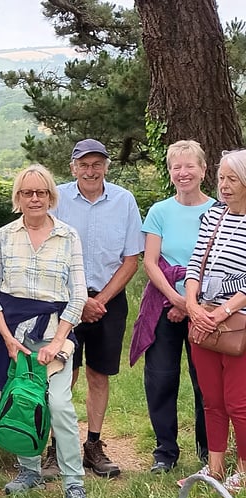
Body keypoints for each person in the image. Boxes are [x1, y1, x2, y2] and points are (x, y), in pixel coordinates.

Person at [0, 164, 88, 498]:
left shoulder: (68, 236)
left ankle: (73, 480)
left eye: (41, 192)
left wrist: (57, 342)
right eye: (27, 193)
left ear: (51, 196)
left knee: (58, 404)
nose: (35, 198)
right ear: (18, 198)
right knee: (22, 401)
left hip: (54, 332)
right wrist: (7, 338)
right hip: (14, 335)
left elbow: (79, 294)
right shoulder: (4, 235)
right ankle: (29, 470)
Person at [50, 138, 144, 478]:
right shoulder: (56, 199)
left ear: (106, 166)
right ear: (73, 167)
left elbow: (132, 259)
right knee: (62, 374)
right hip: (64, 299)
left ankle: (93, 444)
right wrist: (80, 301)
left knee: (99, 374)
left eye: (96, 164)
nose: (90, 170)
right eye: (83, 164)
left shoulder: (124, 200)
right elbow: (49, 255)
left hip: (108, 301)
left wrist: (98, 301)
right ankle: (56, 446)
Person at [130, 140, 213, 473]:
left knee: (205, 382)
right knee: (161, 379)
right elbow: (150, 262)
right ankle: (165, 451)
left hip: (207, 308)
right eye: (176, 167)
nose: (183, 173)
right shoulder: (159, 211)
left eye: (189, 165)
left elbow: (221, 263)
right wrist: (177, 300)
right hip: (164, 307)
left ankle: (210, 450)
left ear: (204, 170)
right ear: (170, 172)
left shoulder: (220, 211)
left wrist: (192, 304)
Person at [184, 149, 246, 493]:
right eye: (221, 177)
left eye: (232, 179)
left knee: (240, 402)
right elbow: (196, 265)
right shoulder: (213, 217)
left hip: (238, 324)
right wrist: (193, 306)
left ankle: (245, 472)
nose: (223, 185)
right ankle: (216, 467)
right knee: (212, 400)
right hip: (203, 319)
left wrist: (222, 312)